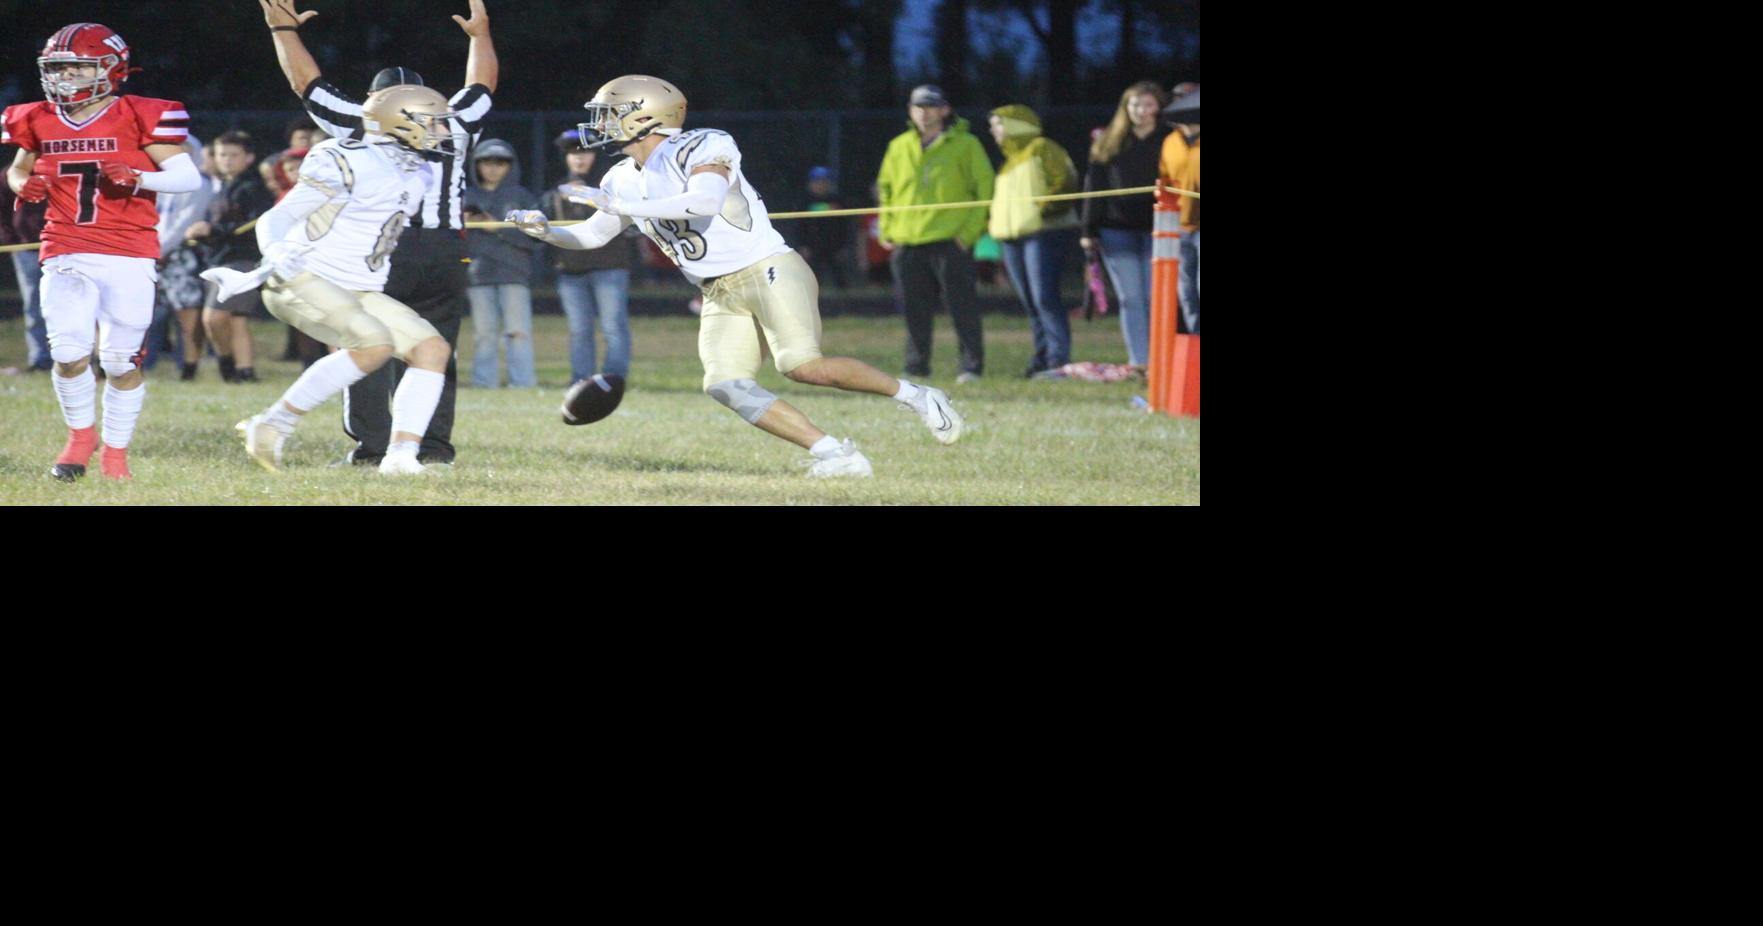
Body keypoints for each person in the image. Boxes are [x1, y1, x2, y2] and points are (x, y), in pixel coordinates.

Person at [508, 74, 965, 477]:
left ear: (644, 117)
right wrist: (546, 232)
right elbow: (591, 236)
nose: (602, 124)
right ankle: (834, 454)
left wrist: (624, 208)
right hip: (717, 291)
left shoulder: (701, 145)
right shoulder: (621, 178)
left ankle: (919, 396)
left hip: (767, 268)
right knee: (725, 384)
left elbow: (704, 200)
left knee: (802, 366)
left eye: (611, 114)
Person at [262, 0, 496, 467]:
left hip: (382, 248)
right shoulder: (455, 120)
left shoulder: (363, 122)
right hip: (446, 249)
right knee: (435, 348)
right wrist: (480, 36)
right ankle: (430, 449)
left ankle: (373, 448)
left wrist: (282, 31)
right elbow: (481, 86)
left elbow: (307, 86)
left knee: (366, 344)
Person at [210, 85, 454, 477]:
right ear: (400, 123)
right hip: (302, 276)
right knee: (374, 345)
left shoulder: (416, 172)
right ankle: (272, 424)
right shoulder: (346, 158)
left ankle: (400, 458)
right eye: (433, 122)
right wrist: (273, 251)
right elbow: (278, 216)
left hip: (357, 286)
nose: (442, 131)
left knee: (432, 349)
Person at [3, 22, 202, 480]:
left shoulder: (139, 114)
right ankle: (79, 438)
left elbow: (188, 178)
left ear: (112, 69)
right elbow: (17, 169)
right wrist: (23, 184)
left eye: (77, 68)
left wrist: (138, 177)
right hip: (65, 245)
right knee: (68, 351)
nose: (65, 78)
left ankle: (116, 453)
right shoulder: (35, 116)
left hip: (130, 250)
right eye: (58, 69)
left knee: (117, 360)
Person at [875, 84, 994, 384]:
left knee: (962, 307)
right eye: (917, 106)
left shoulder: (966, 144)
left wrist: (967, 234)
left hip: (950, 240)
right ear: (910, 111)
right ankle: (916, 367)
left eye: (930, 106)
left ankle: (970, 367)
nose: (923, 112)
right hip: (907, 240)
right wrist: (888, 228)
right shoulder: (898, 146)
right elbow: (886, 190)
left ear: (944, 110)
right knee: (914, 310)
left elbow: (985, 190)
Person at [1081, 81, 1171, 372]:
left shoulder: (1170, 139)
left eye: (1148, 105)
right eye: (1135, 105)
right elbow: (1093, 186)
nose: (1142, 111)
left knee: (1153, 296)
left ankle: (1162, 361)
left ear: (1158, 107)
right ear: (1125, 108)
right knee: (1131, 298)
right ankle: (1140, 362)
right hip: (1116, 231)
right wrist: (1088, 230)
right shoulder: (1108, 140)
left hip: (1159, 228)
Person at [987, 104, 1080, 377]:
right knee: (1030, 300)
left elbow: (1065, 181)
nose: (993, 130)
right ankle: (1041, 357)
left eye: (998, 124)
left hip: (1042, 233)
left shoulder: (1042, 147)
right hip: (1012, 238)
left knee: (1045, 297)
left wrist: (1040, 210)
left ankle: (1057, 360)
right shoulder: (1009, 160)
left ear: (1017, 125)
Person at [186, 130, 275, 383]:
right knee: (236, 320)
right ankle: (244, 371)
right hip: (220, 258)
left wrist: (211, 230)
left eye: (234, 155)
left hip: (242, 260)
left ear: (249, 157)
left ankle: (226, 363)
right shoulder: (221, 187)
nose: (227, 160)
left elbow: (254, 224)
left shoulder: (253, 188)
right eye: (222, 154)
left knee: (213, 317)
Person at [544, 131, 633, 384]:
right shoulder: (556, 192)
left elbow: (633, 227)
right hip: (570, 271)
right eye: (573, 153)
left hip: (610, 267)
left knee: (613, 327)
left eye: (584, 152)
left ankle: (614, 379)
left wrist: (595, 198)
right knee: (579, 330)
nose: (579, 158)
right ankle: (581, 380)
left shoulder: (611, 187)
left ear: (595, 155)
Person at [462, 138, 542, 387]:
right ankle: (484, 383)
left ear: (511, 165)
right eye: (486, 162)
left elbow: (537, 237)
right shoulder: (464, 196)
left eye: (501, 162)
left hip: (514, 272)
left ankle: (523, 383)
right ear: (476, 165)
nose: (493, 168)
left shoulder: (521, 197)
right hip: (477, 275)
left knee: (518, 332)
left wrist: (497, 228)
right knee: (484, 334)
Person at [152, 135, 217, 380]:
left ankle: (189, 367)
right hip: (152, 252)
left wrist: (160, 249)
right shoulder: (158, 180)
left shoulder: (199, 182)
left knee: (187, 314)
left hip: (180, 255)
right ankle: (136, 364)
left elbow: (185, 223)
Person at [1159, 82, 1200, 335]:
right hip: (1180, 226)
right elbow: (1164, 180)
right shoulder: (1170, 142)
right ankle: (1196, 350)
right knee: (1186, 292)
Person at [0, 175, 51, 373]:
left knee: (72, 304)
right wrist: (11, 242)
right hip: (27, 248)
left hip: (62, 248)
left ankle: (77, 359)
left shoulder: (58, 167)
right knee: (34, 305)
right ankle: (40, 360)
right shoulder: (8, 175)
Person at [795, 166, 852, 291]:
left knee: (840, 279)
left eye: (824, 181)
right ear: (810, 183)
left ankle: (845, 302)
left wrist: (843, 246)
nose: (820, 184)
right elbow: (799, 226)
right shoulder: (804, 202)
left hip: (834, 245)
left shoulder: (837, 200)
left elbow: (843, 225)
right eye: (817, 181)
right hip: (812, 246)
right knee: (813, 278)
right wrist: (802, 245)